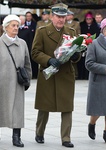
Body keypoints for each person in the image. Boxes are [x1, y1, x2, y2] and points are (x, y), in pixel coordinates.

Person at [31, 3, 80, 148]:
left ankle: (66, 138)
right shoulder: (42, 31)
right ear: (52, 17)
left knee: (67, 107)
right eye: (58, 17)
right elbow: (35, 52)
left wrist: (76, 55)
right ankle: (39, 133)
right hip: (48, 74)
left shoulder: (71, 32)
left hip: (65, 75)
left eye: (63, 17)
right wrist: (48, 60)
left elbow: (77, 54)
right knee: (44, 107)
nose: (61, 20)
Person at [0, 14, 32, 147]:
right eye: (13, 25)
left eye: (17, 25)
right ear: (6, 27)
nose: (16, 28)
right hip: (2, 84)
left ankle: (16, 137)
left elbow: (27, 64)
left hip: (18, 83)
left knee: (18, 111)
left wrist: (27, 80)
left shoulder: (22, 43)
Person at [78, 12, 100, 80]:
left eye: (89, 19)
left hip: (92, 44)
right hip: (83, 44)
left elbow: (97, 35)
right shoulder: (82, 25)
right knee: (81, 61)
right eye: (87, 19)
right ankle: (81, 75)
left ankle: (88, 76)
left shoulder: (95, 26)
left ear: (92, 19)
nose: (88, 20)